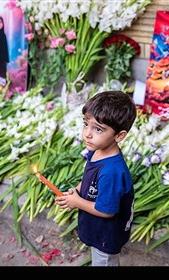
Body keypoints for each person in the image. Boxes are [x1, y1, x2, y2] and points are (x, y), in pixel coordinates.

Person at [55, 90, 137, 266]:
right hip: (98, 229)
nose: (87, 134)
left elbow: (107, 210)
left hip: (107, 235)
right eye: (86, 124)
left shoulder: (112, 171)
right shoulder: (96, 151)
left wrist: (76, 202)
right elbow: (89, 179)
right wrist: (76, 191)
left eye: (98, 129)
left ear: (119, 136)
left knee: (104, 262)